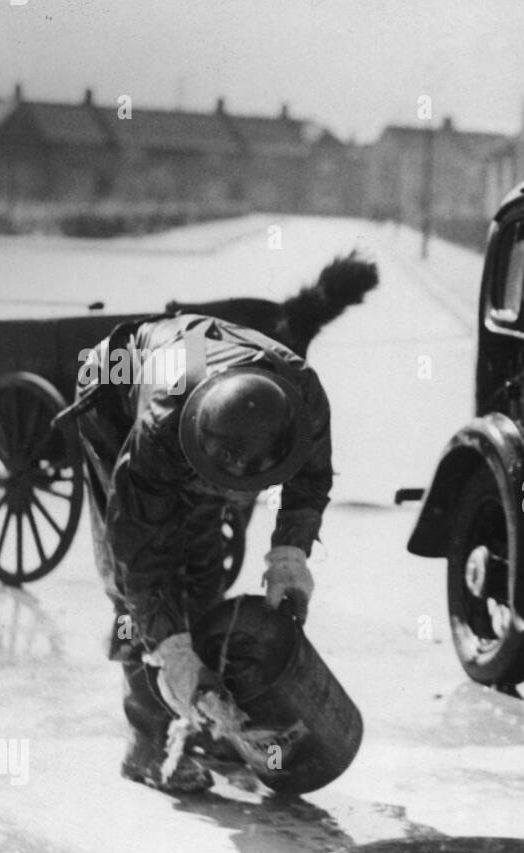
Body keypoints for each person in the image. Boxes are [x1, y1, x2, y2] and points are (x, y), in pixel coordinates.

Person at [76, 254, 376, 793]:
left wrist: (289, 558)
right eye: (217, 488)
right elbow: (140, 558)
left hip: (207, 372)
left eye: (244, 492)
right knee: (135, 589)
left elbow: (308, 486)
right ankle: (147, 743)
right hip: (112, 390)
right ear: (197, 454)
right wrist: (172, 651)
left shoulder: (302, 400)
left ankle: (205, 719)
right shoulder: (158, 434)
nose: (229, 501)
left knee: (203, 568)